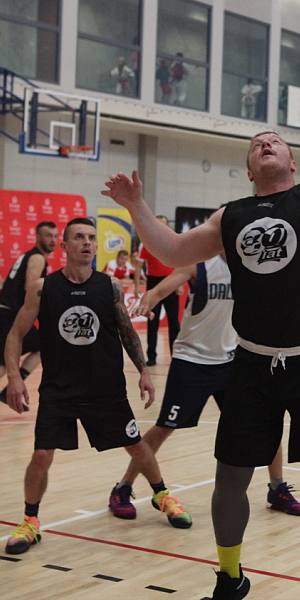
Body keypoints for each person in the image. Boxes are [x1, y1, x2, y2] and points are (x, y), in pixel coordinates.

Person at [102, 22, 300, 600]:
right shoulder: (230, 217)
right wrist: (136, 208)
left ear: (291, 160)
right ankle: (230, 577)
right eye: (257, 142)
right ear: (249, 166)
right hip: (252, 367)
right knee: (230, 479)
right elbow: (172, 250)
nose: (265, 142)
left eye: (274, 139)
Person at [3, 218, 191, 556]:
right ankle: (30, 520)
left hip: (105, 388)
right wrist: (15, 377)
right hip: (59, 389)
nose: (87, 242)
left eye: (91, 237)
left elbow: (126, 330)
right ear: (65, 245)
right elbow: (15, 334)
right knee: (42, 454)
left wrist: (143, 370)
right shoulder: (44, 288)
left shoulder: (110, 286)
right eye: (79, 237)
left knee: (136, 446)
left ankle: (162, 495)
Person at [109, 254, 300, 520]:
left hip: (230, 361)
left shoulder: (250, 267)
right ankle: (123, 487)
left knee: (263, 422)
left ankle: (277, 488)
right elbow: (159, 290)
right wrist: (148, 301)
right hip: (192, 360)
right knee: (165, 426)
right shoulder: (198, 264)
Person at [0, 220, 59, 409]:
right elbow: (31, 289)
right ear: (38, 237)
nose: (53, 240)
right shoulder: (37, 258)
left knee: (8, 360)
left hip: (6, 313)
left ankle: (7, 391)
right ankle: (8, 391)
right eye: (48, 235)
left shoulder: (28, 256)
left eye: (56, 236)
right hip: (9, 315)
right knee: (41, 346)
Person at [134, 216, 181, 366]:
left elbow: (181, 262)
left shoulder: (174, 241)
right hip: (153, 283)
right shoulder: (146, 243)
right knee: (152, 321)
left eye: (163, 225)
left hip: (171, 282)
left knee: (174, 322)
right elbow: (138, 266)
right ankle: (152, 356)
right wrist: (136, 286)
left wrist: (179, 284)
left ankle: (176, 355)